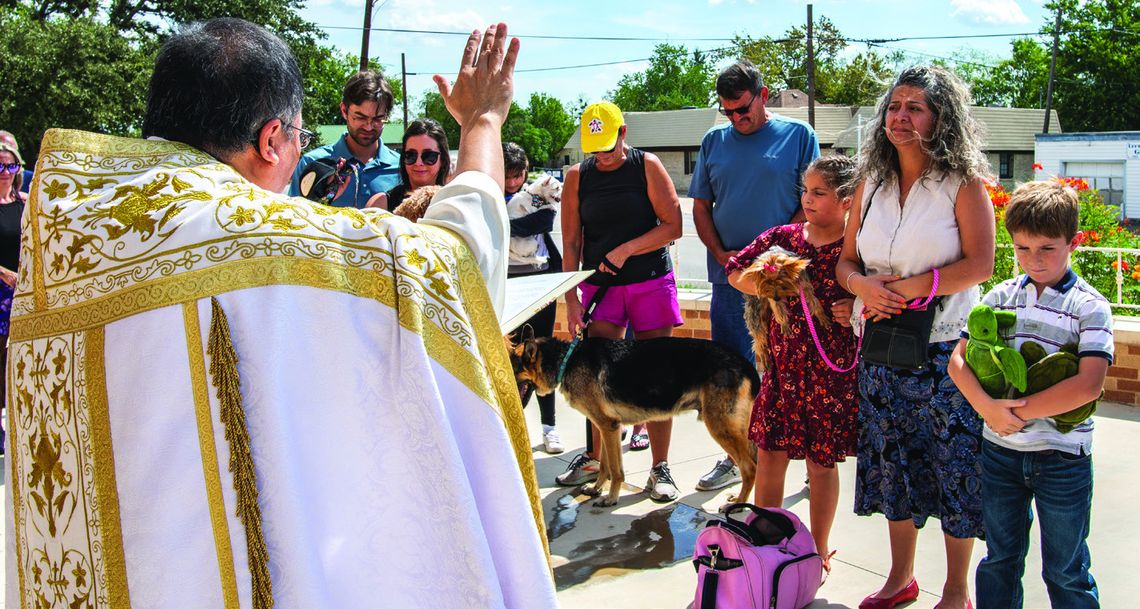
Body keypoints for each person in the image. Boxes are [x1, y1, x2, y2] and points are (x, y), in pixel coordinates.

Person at [5, 18, 558, 609]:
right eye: (295, 137)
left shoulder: (71, 235)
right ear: (273, 140)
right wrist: (483, 123)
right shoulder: (264, 241)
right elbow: (457, 263)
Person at [835, 65, 995, 609]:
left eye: (916, 108)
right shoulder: (870, 183)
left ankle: (955, 590)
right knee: (892, 465)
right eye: (895, 106)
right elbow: (846, 260)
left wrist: (913, 286)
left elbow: (980, 265)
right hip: (880, 348)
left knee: (954, 467)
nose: (900, 117)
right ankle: (900, 578)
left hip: (946, 351)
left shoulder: (963, 183)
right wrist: (859, 284)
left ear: (941, 118)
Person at [948, 180, 1111, 609]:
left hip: (1062, 459)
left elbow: (1089, 383)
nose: (1033, 260)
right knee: (1000, 559)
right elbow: (958, 361)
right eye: (1022, 248)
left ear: (1073, 242)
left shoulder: (1090, 306)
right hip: (1000, 454)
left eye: (1046, 248)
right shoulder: (1001, 295)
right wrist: (987, 409)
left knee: (1065, 568)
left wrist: (1014, 414)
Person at [689, 58, 820, 495]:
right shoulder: (713, 142)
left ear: (763, 96)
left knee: (788, 369)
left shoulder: (798, 136)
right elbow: (700, 208)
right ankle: (737, 455)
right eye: (727, 112)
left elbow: (812, 205)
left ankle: (797, 454)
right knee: (731, 373)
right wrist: (724, 255)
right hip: (730, 280)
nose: (736, 119)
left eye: (743, 109)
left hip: (783, 279)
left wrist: (777, 253)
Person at [724, 154, 858, 579]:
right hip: (783, 373)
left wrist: (855, 306)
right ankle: (767, 546)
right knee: (770, 456)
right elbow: (733, 270)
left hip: (829, 375)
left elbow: (879, 293)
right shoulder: (784, 240)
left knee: (821, 465)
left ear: (848, 200)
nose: (809, 199)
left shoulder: (857, 248)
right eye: (806, 190)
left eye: (820, 193)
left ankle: (818, 551)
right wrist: (768, 284)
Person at [556, 101, 684, 501]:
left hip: (649, 283)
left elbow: (674, 226)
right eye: (594, 149)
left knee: (657, 374)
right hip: (601, 288)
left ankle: (659, 468)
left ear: (624, 133)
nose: (602, 157)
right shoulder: (577, 177)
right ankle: (597, 459)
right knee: (597, 378)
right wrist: (570, 299)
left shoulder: (647, 166)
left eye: (608, 147)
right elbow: (573, 241)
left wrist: (627, 249)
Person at [503, 141, 564, 453]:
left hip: (541, 283)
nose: (513, 182)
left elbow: (542, 222)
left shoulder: (537, 192)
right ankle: (511, 429)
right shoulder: (487, 196)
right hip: (506, 287)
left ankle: (550, 427)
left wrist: (502, 226)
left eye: (518, 175)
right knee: (510, 360)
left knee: (543, 354)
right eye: (507, 175)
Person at [290, 70, 400, 207]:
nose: (368, 127)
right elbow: (293, 220)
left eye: (378, 119)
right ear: (344, 110)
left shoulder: (402, 168)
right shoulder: (314, 163)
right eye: (360, 117)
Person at [0, 142, 25, 456]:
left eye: (10, 167)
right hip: (2, 289)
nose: (5, 173)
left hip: (22, 292)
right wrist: (5, 273)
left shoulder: (24, 202)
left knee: (16, 361)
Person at [381, 118, 452, 209]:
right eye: (411, 155)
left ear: (442, 159)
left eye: (428, 156)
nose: (418, 163)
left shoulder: (453, 201)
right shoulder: (382, 203)